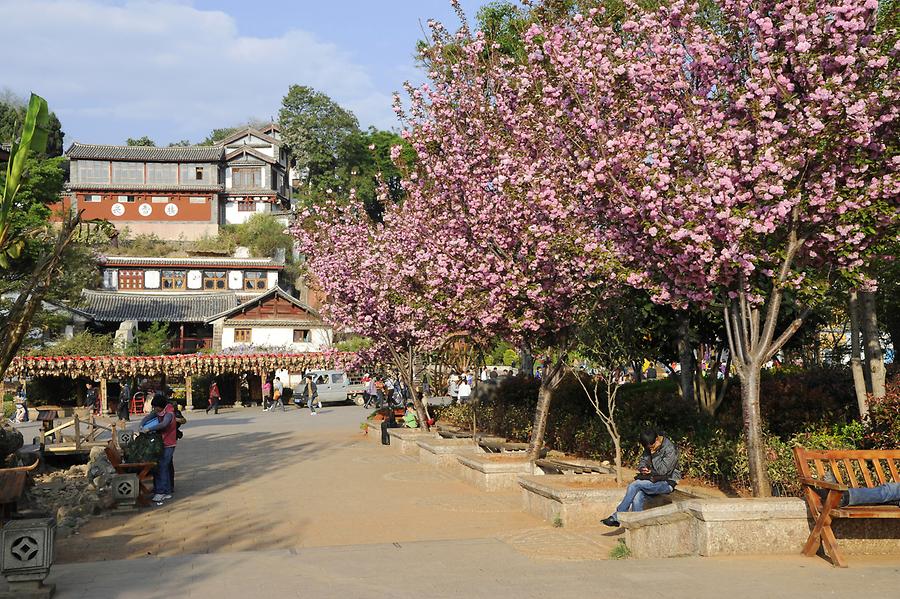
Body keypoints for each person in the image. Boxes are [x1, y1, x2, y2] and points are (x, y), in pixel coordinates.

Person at [602, 429, 681, 527]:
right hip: (652, 479)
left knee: (635, 484)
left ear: (657, 439)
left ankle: (617, 516)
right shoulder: (649, 445)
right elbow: (643, 460)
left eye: (651, 447)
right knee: (637, 496)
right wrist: (643, 468)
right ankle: (637, 526)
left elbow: (663, 471)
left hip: (667, 482)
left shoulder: (670, 449)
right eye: (648, 448)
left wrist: (654, 453)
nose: (650, 449)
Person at [140, 394, 178, 504]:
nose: (154, 409)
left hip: (169, 444)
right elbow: (148, 417)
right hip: (161, 443)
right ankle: (165, 490)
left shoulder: (169, 413)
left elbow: (163, 424)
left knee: (162, 466)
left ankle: (161, 491)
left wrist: (149, 429)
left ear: (161, 406)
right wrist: (141, 425)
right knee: (163, 466)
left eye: (155, 407)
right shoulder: (158, 412)